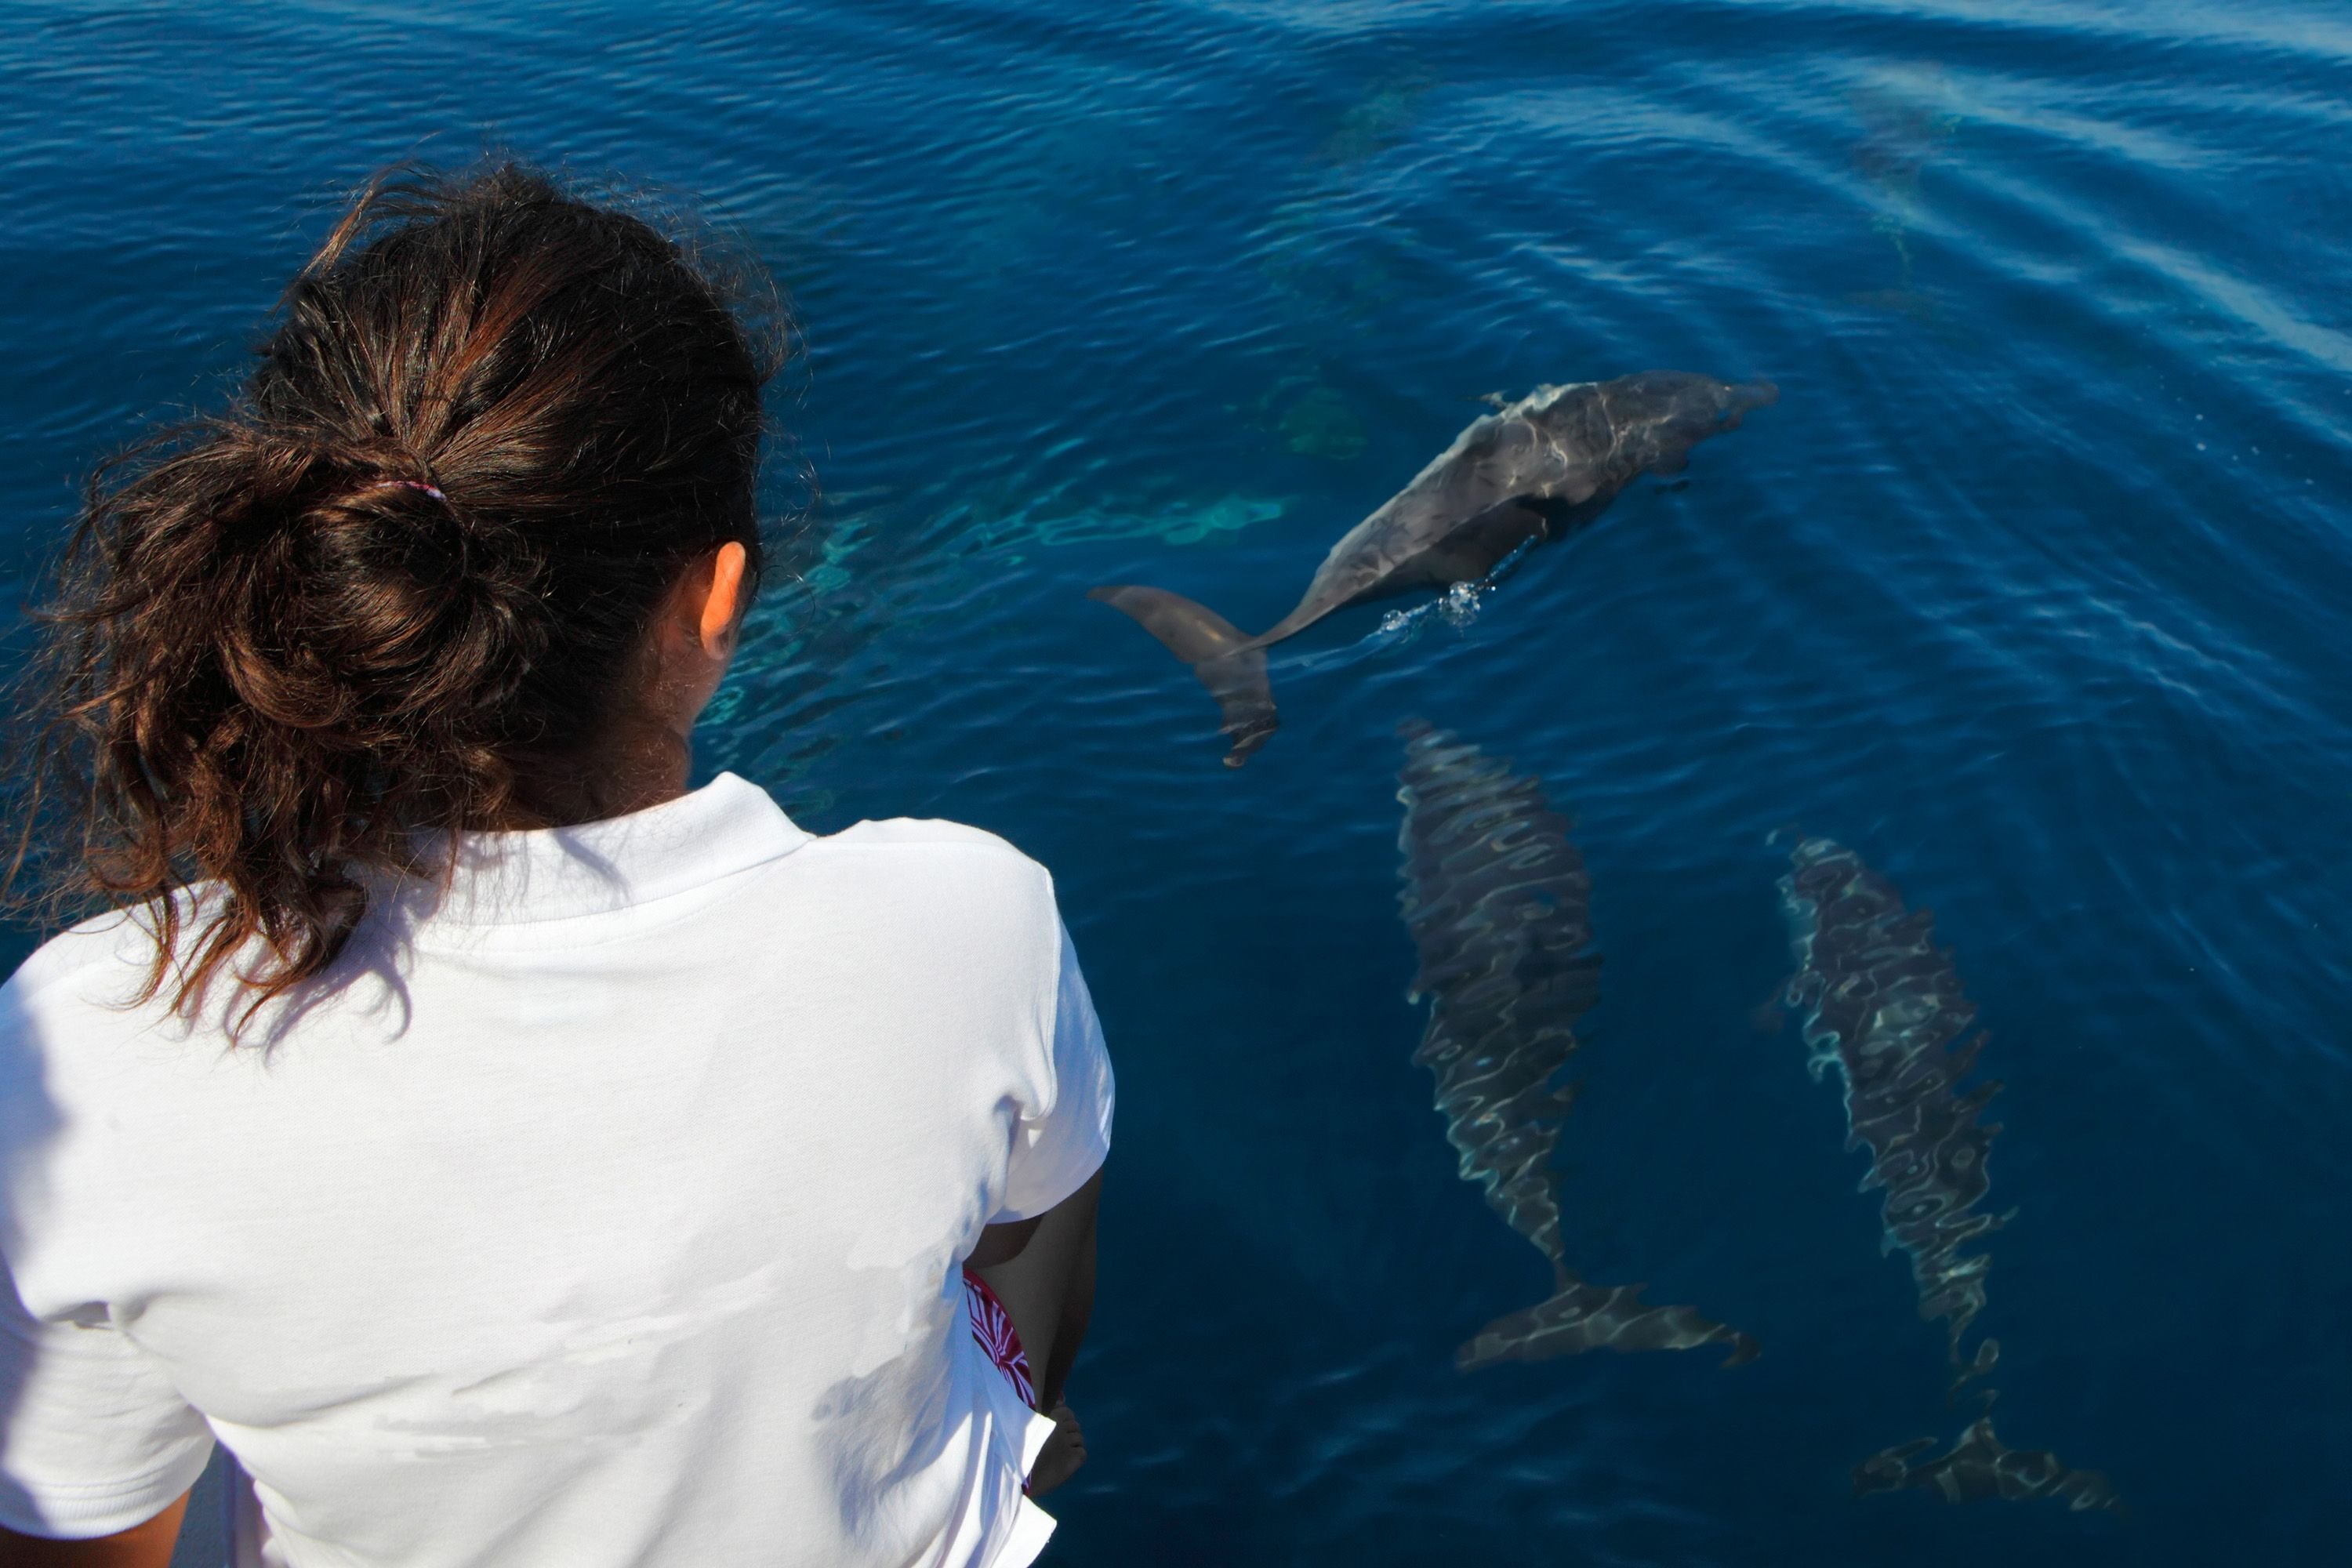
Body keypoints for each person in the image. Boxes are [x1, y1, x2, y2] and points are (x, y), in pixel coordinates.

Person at [0, 164, 1109, 1568]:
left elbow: (81, 1531)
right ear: (715, 598)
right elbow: (1039, 1241)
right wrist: (1036, 1410)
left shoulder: (99, 1038)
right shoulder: (970, 918)